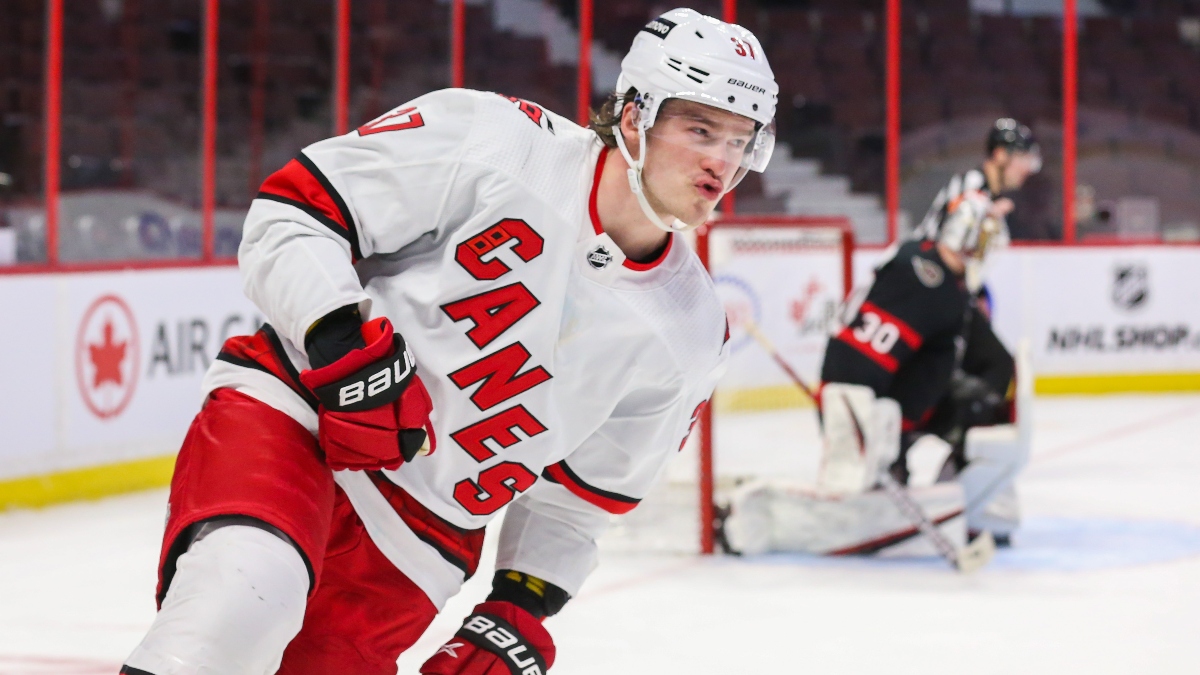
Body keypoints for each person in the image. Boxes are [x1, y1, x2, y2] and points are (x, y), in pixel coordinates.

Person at [121, 8, 778, 675]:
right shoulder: (496, 140)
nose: (722, 161)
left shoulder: (691, 332)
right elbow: (294, 215)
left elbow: (581, 499)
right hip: (301, 423)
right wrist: (340, 340)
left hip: (419, 545)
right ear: (636, 115)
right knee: (233, 612)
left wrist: (516, 609)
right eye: (701, 129)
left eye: (741, 140)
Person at [718, 121, 1032, 558]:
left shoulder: (945, 286)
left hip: (888, 399)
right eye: (984, 237)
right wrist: (866, 424)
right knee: (975, 382)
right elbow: (857, 355)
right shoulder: (924, 276)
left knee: (975, 396)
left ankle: (954, 487)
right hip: (865, 405)